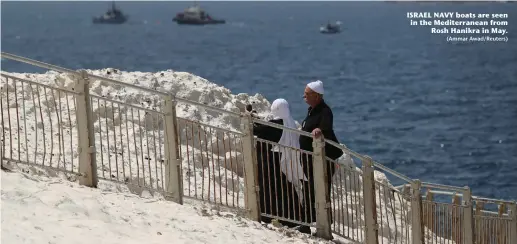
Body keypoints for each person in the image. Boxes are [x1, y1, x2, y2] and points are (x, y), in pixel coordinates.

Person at [251, 99, 307, 228]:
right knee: (285, 191)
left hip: (269, 163)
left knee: (270, 190)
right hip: (285, 161)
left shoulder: (275, 125)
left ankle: (269, 216)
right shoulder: (290, 123)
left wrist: (250, 118)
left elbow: (257, 130)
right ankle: (296, 219)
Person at [298, 80, 343, 234]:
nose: (304, 96)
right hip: (310, 159)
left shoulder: (325, 111)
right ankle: (307, 223)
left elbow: (325, 127)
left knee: (320, 191)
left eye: (307, 94)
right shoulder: (312, 110)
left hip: (321, 160)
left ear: (316, 96)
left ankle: (320, 225)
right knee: (310, 190)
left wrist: (318, 130)